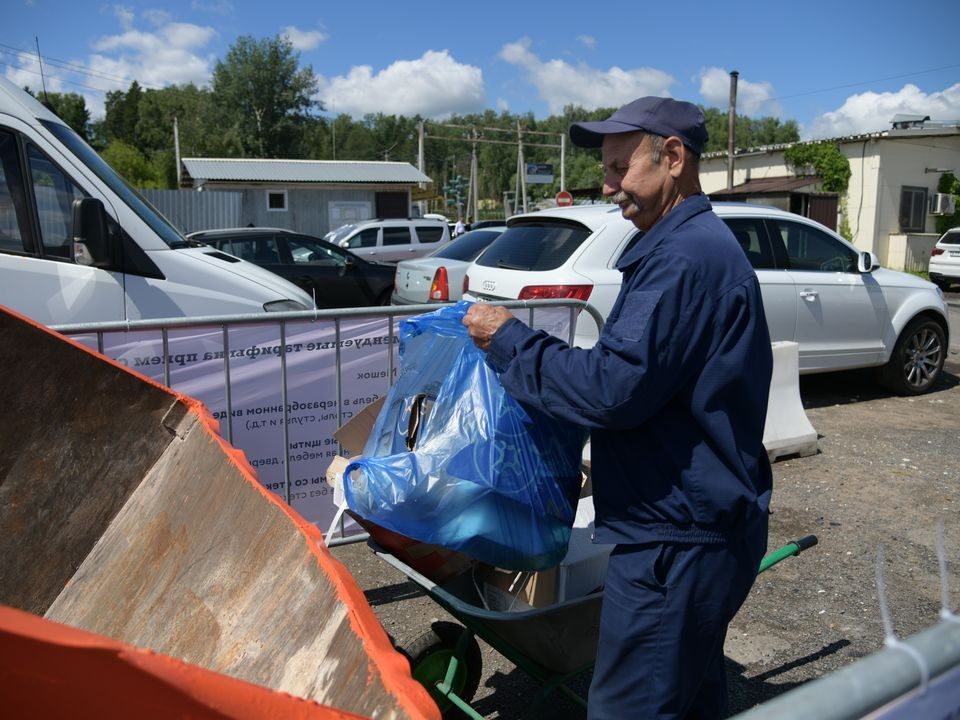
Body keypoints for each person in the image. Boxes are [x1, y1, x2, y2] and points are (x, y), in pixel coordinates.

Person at [462, 96, 773, 719]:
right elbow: (659, 393)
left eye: (618, 167)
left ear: (674, 157)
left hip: (676, 537)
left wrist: (510, 340)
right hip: (690, 522)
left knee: (631, 707)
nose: (608, 187)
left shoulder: (685, 257)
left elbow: (613, 388)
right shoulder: (679, 246)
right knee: (687, 695)